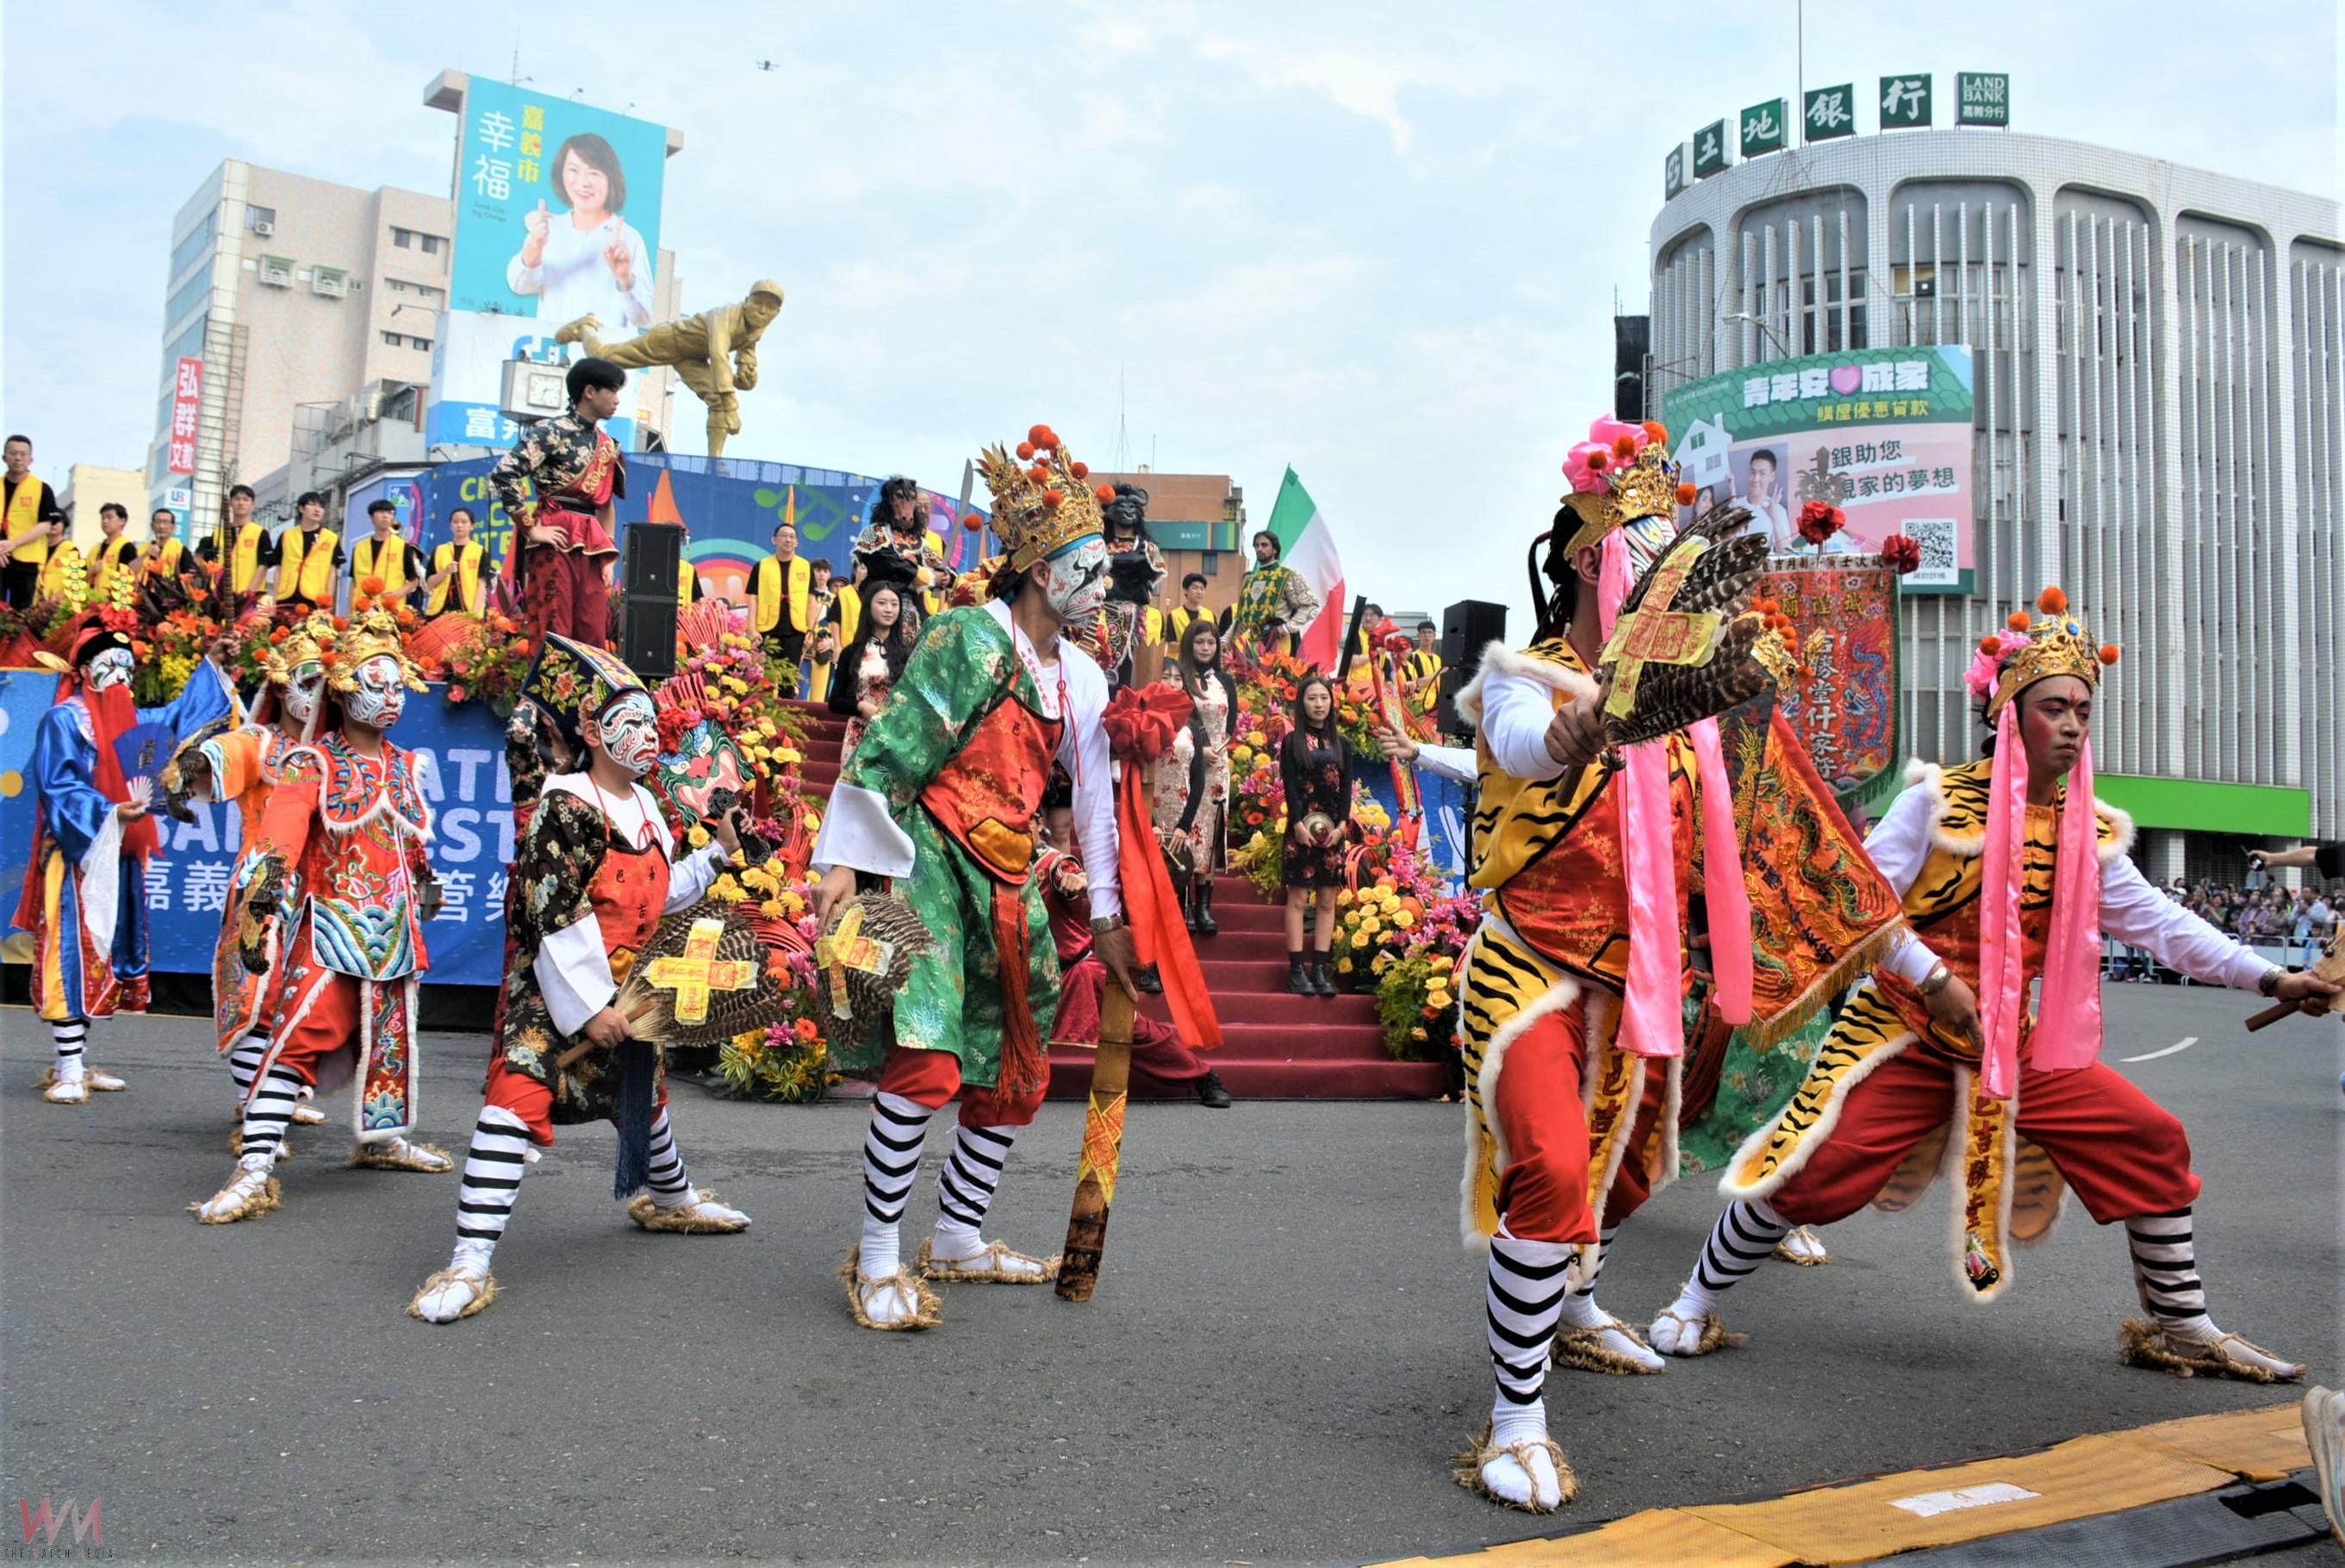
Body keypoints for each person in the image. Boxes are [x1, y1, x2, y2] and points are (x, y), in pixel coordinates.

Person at [1646, 587, 2341, 1384]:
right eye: (2054, 707)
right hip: (1904, 1029)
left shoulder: (2089, 828)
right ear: (2011, 715)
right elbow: (1860, 906)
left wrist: (2271, 975)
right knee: (1811, 1166)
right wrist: (1932, 978)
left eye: (2084, 707)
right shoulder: (1936, 802)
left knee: (2149, 1139)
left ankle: (2181, 1326)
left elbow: (2159, 924)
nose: (2074, 723)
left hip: (2010, 1043)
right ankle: (1695, 1301)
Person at [1434, 415, 1902, 1513]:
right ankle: (1515, 1419)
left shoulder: (1693, 726)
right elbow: (1519, 744)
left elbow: (1790, 839)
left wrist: (1907, 966)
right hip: (1530, 974)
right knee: (1550, 1161)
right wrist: (1597, 714)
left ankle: (1578, 1305)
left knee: (1622, 1173)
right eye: (1640, 555)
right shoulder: (1530, 676)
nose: (1660, 578)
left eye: (1670, 559)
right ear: (1599, 561)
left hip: (1636, 990)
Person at [810, 421, 1136, 1332]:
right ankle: (875, 1255)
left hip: (1012, 873)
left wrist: (1105, 910)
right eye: (1091, 566)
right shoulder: (963, 637)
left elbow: (1097, 806)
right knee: (928, 1048)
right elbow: (894, 746)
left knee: (1015, 1054)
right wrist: (844, 862)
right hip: (930, 859)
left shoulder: (1080, 675)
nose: (1103, 585)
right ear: (1043, 570)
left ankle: (955, 1233)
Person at [408, 636, 750, 1323]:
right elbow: (549, 912)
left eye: (653, 723)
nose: (647, 735)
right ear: (592, 732)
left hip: (629, 995)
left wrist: (718, 855)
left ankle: (673, 1199)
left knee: (643, 1102)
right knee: (514, 1100)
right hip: (557, 994)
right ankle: (470, 1262)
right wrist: (592, 1005)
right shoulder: (566, 806)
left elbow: (661, 892)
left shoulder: (650, 809)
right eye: (630, 722)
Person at [196, 610, 453, 1223]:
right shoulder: (316, 764)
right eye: (376, 683)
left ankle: (381, 1141)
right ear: (342, 688)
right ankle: (255, 1167)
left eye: (397, 686)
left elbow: (407, 842)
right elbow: (279, 843)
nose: (390, 698)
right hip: (331, 930)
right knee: (296, 1041)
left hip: (392, 931)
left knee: (389, 1044)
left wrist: (424, 880)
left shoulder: (406, 764)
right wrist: (260, 908)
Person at [19, 617, 233, 1102]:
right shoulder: (65, 719)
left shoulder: (133, 723)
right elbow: (58, 786)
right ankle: (69, 1065)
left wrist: (214, 667)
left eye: (127, 667)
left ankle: (74, 1059)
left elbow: (181, 720)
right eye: (110, 665)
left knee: (107, 949)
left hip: (119, 852)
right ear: (85, 670)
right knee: (73, 951)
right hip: (78, 853)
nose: (121, 676)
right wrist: (111, 810)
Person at [161, 613, 336, 1136]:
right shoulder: (258, 743)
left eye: (321, 685)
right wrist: (186, 771)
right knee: (257, 996)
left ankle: (278, 1095)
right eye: (304, 683)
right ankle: (254, 1102)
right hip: (263, 886)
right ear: (280, 689)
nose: (313, 696)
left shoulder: (331, 750)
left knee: (305, 999)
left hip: (320, 892)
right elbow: (217, 754)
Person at [1038, 774, 1230, 1107]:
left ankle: (1201, 1076)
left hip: (1074, 975)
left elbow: (1068, 876)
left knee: (1137, 1032)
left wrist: (1078, 883)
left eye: (1023, 822)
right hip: (1024, 976)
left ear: (1037, 825)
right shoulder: (992, 865)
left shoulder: (1052, 862)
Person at [556, 282, 781, 459]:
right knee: (604, 356)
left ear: (776, 314)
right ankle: (586, 327)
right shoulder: (725, 316)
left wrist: (747, 376)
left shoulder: (756, 329)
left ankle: (715, 463)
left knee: (717, 399)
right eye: (758, 302)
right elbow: (719, 354)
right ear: (746, 301)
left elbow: (746, 361)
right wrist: (732, 406)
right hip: (670, 341)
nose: (762, 310)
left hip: (693, 358)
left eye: (770, 307)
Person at [492, 358, 626, 648]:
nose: (617, 401)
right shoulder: (550, 432)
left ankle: (588, 694)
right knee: (554, 625)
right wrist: (530, 529)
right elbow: (505, 473)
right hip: (555, 536)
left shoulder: (609, 445)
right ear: (589, 392)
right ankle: (548, 693)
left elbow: (605, 504)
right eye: (612, 391)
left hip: (592, 544)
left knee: (592, 628)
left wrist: (609, 558)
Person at [506, 133, 655, 339]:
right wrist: (535, 244)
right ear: (561, 174)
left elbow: (644, 317)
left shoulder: (629, 239)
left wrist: (624, 277)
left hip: (605, 362)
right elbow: (520, 285)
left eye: (594, 173)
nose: (583, 182)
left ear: (611, 180)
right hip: (554, 357)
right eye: (573, 170)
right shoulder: (548, 229)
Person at [1279, 672, 1365, 998]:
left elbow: (1346, 791)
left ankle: (1320, 969)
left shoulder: (1342, 744)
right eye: (1312, 698)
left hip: (1332, 834)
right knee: (1299, 898)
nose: (1319, 704)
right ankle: (1297, 969)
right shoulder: (1292, 742)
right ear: (1302, 703)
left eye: (1324, 698)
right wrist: (1297, 824)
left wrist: (1343, 826)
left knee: (1328, 900)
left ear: (1332, 702)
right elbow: (1289, 785)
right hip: (1300, 831)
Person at [1154, 615, 1236, 934]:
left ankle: (1204, 906)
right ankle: (1184, 902)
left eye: (1211, 642)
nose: (1205, 647)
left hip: (1219, 766)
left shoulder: (1225, 681)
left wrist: (1220, 746)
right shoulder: (1180, 677)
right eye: (1199, 642)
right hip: (1188, 763)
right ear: (1190, 644)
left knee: (1211, 834)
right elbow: (1179, 720)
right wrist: (1201, 749)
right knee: (1188, 828)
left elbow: (1231, 724)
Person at [826, 582, 911, 767]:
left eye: (894, 604)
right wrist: (861, 706)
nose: (889, 609)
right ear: (868, 607)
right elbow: (835, 702)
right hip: (860, 735)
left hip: (895, 735)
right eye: (882, 603)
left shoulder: (907, 653)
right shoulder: (852, 652)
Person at [852, 476, 949, 625]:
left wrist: (946, 576)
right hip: (883, 609)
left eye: (910, 499)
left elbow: (936, 563)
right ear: (889, 502)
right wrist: (925, 575)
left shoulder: (917, 541)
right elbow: (888, 561)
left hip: (912, 613)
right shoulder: (874, 533)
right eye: (899, 498)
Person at [1099, 482, 1166, 683]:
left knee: (1129, 674)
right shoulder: (1099, 545)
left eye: (1132, 507)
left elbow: (1152, 574)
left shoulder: (1148, 548)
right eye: (1121, 506)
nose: (1127, 511)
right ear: (1110, 511)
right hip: (1098, 616)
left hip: (1133, 617)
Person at [1229, 529, 1319, 663]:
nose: (1259, 548)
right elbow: (1241, 620)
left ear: (1275, 549)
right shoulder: (1250, 581)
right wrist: (1226, 640)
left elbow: (1311, 607)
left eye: (1264, 545)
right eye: (1256, 545)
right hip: (1250, 644)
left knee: (1274, 682)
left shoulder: (1288, 576)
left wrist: (1286, 628)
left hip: (1278, 643)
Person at [0, 434, 65, 610]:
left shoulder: (42, 489)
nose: (18, 458)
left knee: (20, 613)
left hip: (26, 562)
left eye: (23, 454)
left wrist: (13, 544)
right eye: (13, 453)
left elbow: (46, 524)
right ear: (4, 457)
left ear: (31, 459)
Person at [751, 519, 814, 676]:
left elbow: (811, 600)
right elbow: (753, 598)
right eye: (784, 536)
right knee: (763, 679)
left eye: (792, 537)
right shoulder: (761, 566)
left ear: (797, 542)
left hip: (795, 632)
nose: (788, 540)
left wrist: (811, 630)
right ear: (774, 539)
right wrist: (751, 628)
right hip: (767, 630)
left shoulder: (806, 567)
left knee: (789, 679)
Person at [209, 483, 280, 614]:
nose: (241, 503)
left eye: (246, 499)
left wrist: (250, 592)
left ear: (253, 504)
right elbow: (208, 563)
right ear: (230, 503)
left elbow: (263, 565)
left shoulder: (260, 533)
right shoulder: (218, 533)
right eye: (237, 499)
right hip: (219, 596)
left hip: (247, 597)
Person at [349, 500, 426, 611]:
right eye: (381, 512)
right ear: (371, 517)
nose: (385, 516)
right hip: (362, 610)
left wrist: (398, 594)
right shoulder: (359, 547)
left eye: (390, 513)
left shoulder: (402, 546)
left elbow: (414, 581)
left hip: (390, 610)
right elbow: (354, 582)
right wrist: (349, 611)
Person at [275, 491, 343, 613]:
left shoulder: (330, 538)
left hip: (315, 597)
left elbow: (332, 572)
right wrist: (275, 598)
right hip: (287, 595)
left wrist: (328, 601)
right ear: (301, 508)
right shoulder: (287, 535)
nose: (317, 510)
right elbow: (278, 569)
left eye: (321, 507)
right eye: (312, 505)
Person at [423, 507, 489, 620]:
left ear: (472, 526)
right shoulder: (440, 550)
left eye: (464, 522)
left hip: (467, 610)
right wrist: (445, 572)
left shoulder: (479, 551)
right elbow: (429, 584)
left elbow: (482, 585)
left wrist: (474, 613)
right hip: (439, 611)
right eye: (455, 522)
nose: (459, 525)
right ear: (450, 525)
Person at [84, 503, 140, 609]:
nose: (105, 521)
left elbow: (130, 580)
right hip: (90, 604)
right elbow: (80, 577)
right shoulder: (95, 549)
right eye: (103, 518)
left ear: (122, 521)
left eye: (109, 517)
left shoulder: (127, 547)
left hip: (113, 605)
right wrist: (91, 571)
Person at [1738, 447, 1792, 551]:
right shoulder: (1735, 506)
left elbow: (1786, 552)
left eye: (1762, 473)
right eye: (1753, 472)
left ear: (1772, 476)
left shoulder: (1778, 511)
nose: (1756, 479)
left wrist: (1773, 516)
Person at [139, 507, 201, 591]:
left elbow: (188, 579)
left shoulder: (181, 550)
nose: (161, 526)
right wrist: (145, 554)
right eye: (158, 522)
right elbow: (130, 570)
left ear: (173, 527)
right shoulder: (141, 549)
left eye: (166, 522)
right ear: (152, 526)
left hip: (169, 597)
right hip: (143, 594)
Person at [802, 557, 837, 700]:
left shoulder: (836, 599)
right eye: (818, 570)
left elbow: (842, 627)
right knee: (799, 695)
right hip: (803, 649)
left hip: (823, 651)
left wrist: (831, 643)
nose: (821, 574)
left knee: (819, 699)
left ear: (829, 575)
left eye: (825, 571)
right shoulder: (803, 595)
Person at [1400, 620, 1444, 723]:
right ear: (1418, 635)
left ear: (1434, 636)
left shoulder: (1438, 659)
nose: (1426, 636)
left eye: (1429, 633)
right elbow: (1418, 683)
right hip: (1420, 705)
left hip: (1437, 706)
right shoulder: (1414, 656)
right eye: (1423, 632)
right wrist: (1439, 672)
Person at [33, 516, 82, 606]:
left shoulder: (70, 549)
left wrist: (56, 599)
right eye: (51, 521)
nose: (54, 524)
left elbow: (77, 581)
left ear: (64, 525)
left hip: (58, 605)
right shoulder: (39, 547)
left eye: (58, 521)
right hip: (36, 604)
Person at [1165, 571, 1214, 649]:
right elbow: (1169, 644)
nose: (1199, 592)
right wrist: (1192, 644)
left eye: (1202, 589)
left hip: (1204, 659)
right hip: (1180, 659)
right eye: (1195, 588)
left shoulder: (1210, 615)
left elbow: (1215, 640)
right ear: (1185, 590)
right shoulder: (1174, 615)